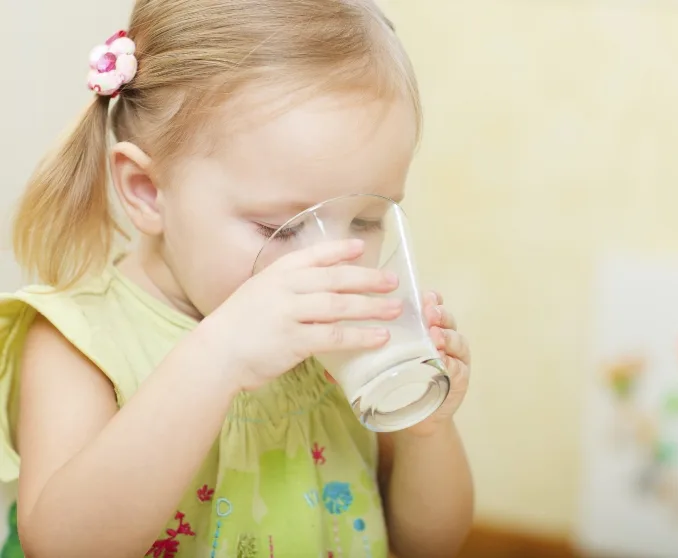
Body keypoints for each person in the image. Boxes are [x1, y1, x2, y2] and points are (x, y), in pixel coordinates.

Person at [0, 1, 473, 557]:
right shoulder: (78, 342)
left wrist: (426, 430)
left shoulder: (341, 344)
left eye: (366, 220)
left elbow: (430, 543)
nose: (333, 264)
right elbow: (64, 548)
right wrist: (219, 357)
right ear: (149, 192)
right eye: (279, 227)